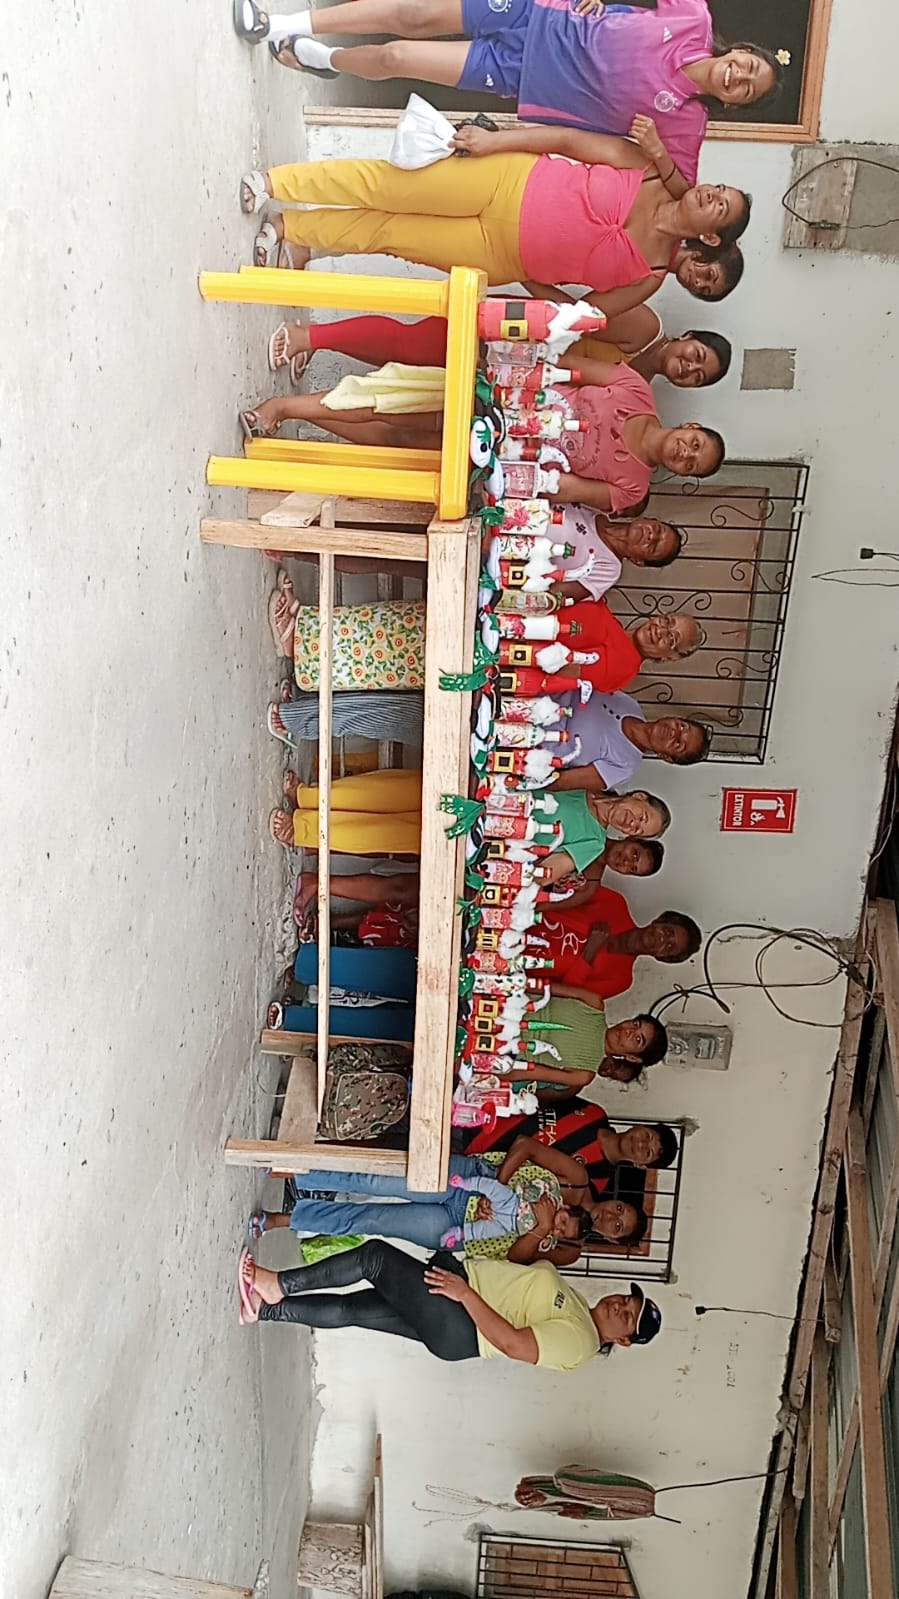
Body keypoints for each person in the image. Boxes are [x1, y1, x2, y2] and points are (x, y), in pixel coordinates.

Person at [235, 0, 781, 190]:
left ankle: (324, 60)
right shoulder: (693, 19)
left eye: (746, 88)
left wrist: (657, 153)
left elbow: (683, 187)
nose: (739, 76)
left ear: (734, 105)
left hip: (517, 76)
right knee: (415, 14)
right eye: (749, 66)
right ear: (742, 50)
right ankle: (280, 23)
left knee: (397, 58)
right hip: (534, 14)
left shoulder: (685, 122)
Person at [237, 141, 750, 320]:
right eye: (719, 189)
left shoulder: (651, 276)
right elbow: (568, 139)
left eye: (719, 206)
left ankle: (291, 227)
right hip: (509, 181)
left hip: (501, 255)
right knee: (390, 185)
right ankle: (276, 182)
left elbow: (579, 313)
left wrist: (527, 275)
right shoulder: (648, 169)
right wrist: (499, 141)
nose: (710, 193)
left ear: (711, 239)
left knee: (391, 236)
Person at [243, 361, 726, 516]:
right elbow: (571, 368)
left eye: (691, 465)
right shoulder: (635, 389)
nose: (685, 455)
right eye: (695, 446)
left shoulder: (632, 488)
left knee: (398, 441)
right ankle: (284, 407)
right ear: (690, 428)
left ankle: (299, 423)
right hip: (502, 395)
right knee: (397, 401)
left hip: (503, 455)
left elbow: (568, 489)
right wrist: (512, 370)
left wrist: (515, 465)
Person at [237, 1240, 663, 1369]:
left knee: (374, 1259)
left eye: (627, 1317)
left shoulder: (580, 1342)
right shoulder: (578, 1306)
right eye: (627, 1300)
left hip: (461, 1320)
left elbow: (515, 1344)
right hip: (457, 1313)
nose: (620, 1306)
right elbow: (517, 1275)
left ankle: (278, 1284)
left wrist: (464, 1293)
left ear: (623, 1341)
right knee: (356, 1310)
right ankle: (264, 1310)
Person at [247, 1154, 646, 1262]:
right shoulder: (572, 1178)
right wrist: (495, 1191)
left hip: (458, 1229)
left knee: (372, 1219)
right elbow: (525, 1147)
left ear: (611, 1240)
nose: (611, 1217)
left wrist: (541, 1227)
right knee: (374, 1181)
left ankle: (281, 1220)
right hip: (469, 1179)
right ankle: (293, 1168)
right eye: (619, 1210)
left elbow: (515, 1258)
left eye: (617, 1227)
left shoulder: (567, 1250)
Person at [265, 306, 730, 392]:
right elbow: (573, 310)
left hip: (517, 372)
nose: (688, 367)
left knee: (410, 359)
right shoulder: (645, 326)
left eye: (697, 376)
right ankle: (309, 336)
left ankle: (321, 341)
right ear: (688, 337)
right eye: (697, 356)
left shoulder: (636, 384)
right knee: (413, 340)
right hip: (519, 330)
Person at [271, 776, 669, 854]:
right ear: (637, 796)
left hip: (486, 836)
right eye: (641, 815)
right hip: (486, 789)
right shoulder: (589, 787)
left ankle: (304, 829)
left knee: (388, 833)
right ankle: (309, 796)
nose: (632, 823)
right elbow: (550, 774)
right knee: (396, 788)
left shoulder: (594, 843)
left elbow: (551, 871)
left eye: (639, 830)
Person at [463, 1100, 679, 1188]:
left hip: (475, 1163)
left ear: (641, 1165)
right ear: (640, 1126)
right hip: (480, 1113)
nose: (641, 1144)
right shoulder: (595, 1113)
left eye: (647, 1153)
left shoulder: (596, 1180)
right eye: (647, 1136)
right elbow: (543, 1099)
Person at [549, 887, 702, 999]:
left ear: (662, 957)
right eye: (668, 931)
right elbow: (560, 891)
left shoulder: (620, 981)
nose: (662, 939)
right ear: (659, 920)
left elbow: (566, 996)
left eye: (669, 947)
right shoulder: (614, 903)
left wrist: (589, 953)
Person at [550, 689, 711, 792]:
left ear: (666, 757)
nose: (673, 732)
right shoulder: (629, 704)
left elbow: (561, 782)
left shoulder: (625, 766)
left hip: (536, 743)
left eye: (678, 744)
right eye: (682, 726)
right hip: (539, 690)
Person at [499, 1004, 668, 1097]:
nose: (630, 1031)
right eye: (636, 1024)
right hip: (505, 1006)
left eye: (638, 1040)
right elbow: (537, 986)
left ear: (633, 1058)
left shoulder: (583, 1074)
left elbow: (526, 1072)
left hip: (501, 1051)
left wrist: (489, 1068)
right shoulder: (593, 1003)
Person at [545, 598, 704, 697]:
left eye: (670, 639)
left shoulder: (624, 666)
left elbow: (561, 670)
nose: (660, 631)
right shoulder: (614, 624)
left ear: (668, 657)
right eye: (667, 621)